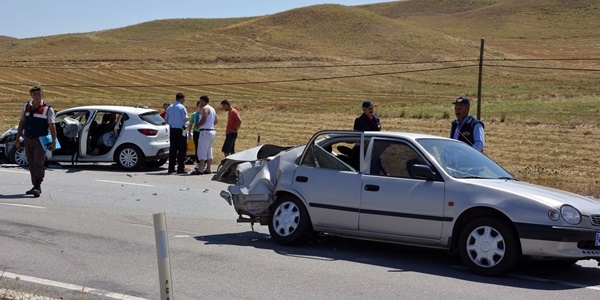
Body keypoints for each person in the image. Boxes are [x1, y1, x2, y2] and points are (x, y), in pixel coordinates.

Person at [15, 85, 58, 197]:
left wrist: (54, 142)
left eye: (39, 94)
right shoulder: (26, 106)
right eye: (34, 94)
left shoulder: (48, 109)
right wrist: (18, 138)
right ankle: (35, 185)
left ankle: (37, 186)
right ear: (31, 95)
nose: (37, 96)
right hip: (28, 138)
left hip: (41, 140)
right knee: (31, 163)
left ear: (42, 94)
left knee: (39, 163)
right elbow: (22, 123)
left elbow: (52, 126)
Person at [190, 95, 218, 175]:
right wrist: (210, 125)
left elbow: (204, 118)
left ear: (203, 100)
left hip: (204, 131)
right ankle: (208, 168)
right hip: (211, 131)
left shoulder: (205, 109)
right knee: (209, 150)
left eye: (201, 101)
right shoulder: (212, 109)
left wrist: (198, 125)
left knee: (202, 149)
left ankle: (201, 169)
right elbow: (216, 121)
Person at [164, 92, 188, 174]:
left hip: (172, 130)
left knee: (173, 149)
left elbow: (166, 120)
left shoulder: (170, 107)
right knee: (181, 149)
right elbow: (185, 119)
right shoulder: (182, 107)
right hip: (180, 130)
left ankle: (171, 167)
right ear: (181, 99)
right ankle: (180, 167)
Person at [187, 100, 201, 164]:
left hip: (202, 132)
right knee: (197, 146)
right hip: (196, 132)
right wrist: (189, 132)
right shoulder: (194, 114)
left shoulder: (204, 113)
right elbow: (191, 123)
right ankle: (198, 160)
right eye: (199, 106)